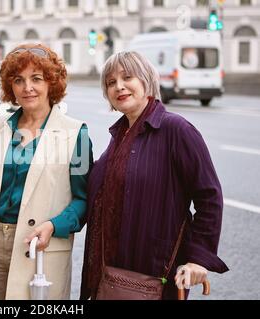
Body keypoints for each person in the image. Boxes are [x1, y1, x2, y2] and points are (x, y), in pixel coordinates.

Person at [80, 51, 229, 300]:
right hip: (107, 276)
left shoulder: (175, 130)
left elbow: (209, 196)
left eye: (128, 77)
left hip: (150, 278)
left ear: (146, 80)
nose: (119, 86)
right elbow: (96, 186)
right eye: (111, 82)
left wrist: (197, 259)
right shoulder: (120, 135)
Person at [0, 44, 93, 300]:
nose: (27, 87)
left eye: (36, 78)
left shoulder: (75, 133)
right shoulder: (0, 126)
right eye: (18, 80)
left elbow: (84, 200)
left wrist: (54, 225)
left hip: (37, 247)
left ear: (51, 83)